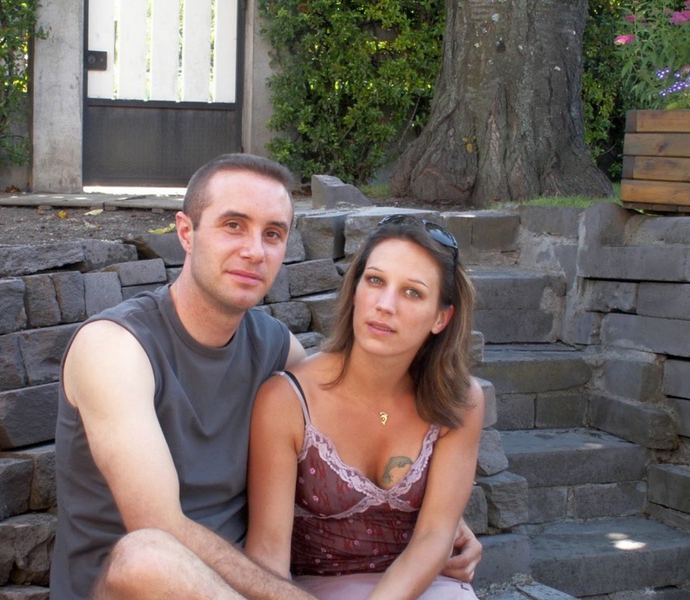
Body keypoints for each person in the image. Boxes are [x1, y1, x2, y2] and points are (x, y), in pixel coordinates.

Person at [50, 153, 482, 599]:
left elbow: (351, 412)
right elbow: (159, 524)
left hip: (241, 588)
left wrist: (437, 515)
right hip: (140, 588)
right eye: (233, 225)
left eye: (272, 234)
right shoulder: (114, 348)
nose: (254, 251)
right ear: (186, 232)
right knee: (147, 555)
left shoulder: (275, 349)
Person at [245, 214, 485, 600]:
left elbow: (434, 536)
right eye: (375, 281)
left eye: (412, 292)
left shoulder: (460, 402)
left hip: (422, 585)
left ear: (441, 317)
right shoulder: (286, 401)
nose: (385, 305)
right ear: (355, 289)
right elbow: (267, 555)